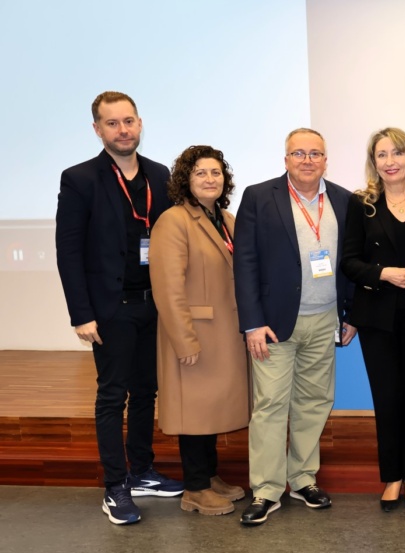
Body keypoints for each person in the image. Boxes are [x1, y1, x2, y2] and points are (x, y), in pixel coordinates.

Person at [56, 91, 183, 525]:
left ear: (140, 123)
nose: (123, 130)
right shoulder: (80, 178)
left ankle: (142, 471)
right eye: (112, 123)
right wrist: (81, 314)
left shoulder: (159, 174)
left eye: (128, 121)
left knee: (147, 392)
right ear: (98, 129)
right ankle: (115, 486)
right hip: (111, 308)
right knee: (112, 396)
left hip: (153, 305)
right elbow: (69, 251)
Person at [233, 128, 355, 526]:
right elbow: (245, 263)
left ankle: (302, 479)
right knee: (270, 404)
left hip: (325, 319)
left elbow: (352, 263)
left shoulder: (344, 199)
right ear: (285, 159)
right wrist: (252, 323)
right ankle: (267, 489)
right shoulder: (259, 196)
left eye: (315, 153)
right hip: (273, 324)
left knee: (314, 401)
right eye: (298, 153)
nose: (307, 160)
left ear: (325, 160)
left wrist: (350, 314)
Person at [341, 128, 405, 512]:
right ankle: (392, 478)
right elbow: (349, 261)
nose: (390, 161)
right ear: (374, 162)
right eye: (381, 155)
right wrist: (382, 273)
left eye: (397, 153)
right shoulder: (361, 204)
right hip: (377, 318)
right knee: (386, 400)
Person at [149, 145, 250, 516]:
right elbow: (168, 287)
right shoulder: (173, 220)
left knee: (209, 409)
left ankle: (208, 476)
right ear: (185, 180)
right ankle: (194, 488)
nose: (210, 179)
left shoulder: (226, 219)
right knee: (193, 411)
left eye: (216, 172)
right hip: (194, 334)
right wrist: (184, 340)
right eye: (200, 173)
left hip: (224, 332)